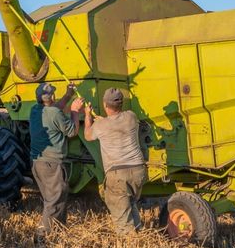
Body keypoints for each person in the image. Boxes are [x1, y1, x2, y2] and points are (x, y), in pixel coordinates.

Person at [82, 87, 147, 233]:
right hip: (138, 171)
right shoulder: (131, 116)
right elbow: (114, 123)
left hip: (118, 175)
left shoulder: (100, 125)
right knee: (131, 204)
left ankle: (131, 247)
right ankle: (139, 234)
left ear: (105, 105)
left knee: (122, 221)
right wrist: (104, 120)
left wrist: (88, 116)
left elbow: (87, 135)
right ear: (121, 103)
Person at [29, 82, 78, 239]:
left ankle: (58, 231)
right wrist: (75, 111)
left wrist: (68, 95)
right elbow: (72, 132)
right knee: (54, 200)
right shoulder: (55, 113)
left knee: (55, 197)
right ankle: (42, 236)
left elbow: (54, 109)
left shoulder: (35, 110)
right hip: (52, 164)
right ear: (52, 96)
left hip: (38, 164)